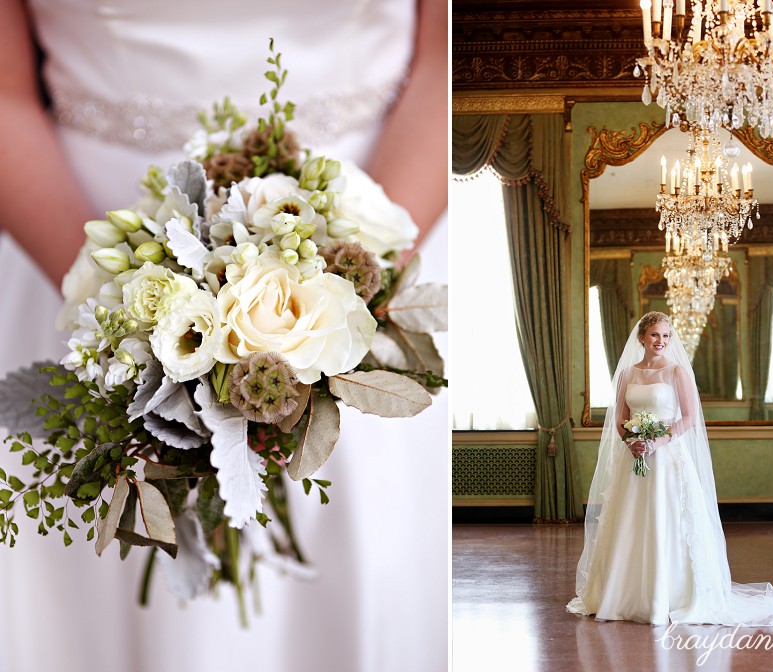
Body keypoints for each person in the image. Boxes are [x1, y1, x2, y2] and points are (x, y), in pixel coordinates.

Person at [0, 1, 447, 671]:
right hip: (73, 247)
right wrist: (124, 327)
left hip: (370, 239)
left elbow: (445, 59)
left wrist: (337, 298)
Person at [567, 311, 773, 626]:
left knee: (668, 520)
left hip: (667, 458)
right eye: (655, 335)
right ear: (642, 337)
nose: (661, 341)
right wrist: (633, 442)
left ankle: (671, 595)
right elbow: (619, 418)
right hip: (635, 456)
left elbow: (689, 418)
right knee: (630, 521)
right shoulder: (627, 373)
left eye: (666, 336)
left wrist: (656, 442)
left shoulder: (677, 371)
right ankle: (624, 593)